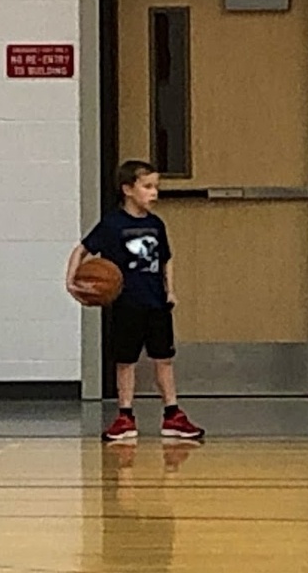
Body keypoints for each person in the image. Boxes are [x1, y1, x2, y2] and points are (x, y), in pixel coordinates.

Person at [66, 160, 204, 442]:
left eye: (156, 187)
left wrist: (170, 290)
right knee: (125, 361)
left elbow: (166, 259)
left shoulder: (156, 224)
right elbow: (81, 249)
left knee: (163, 359)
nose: (154, 193)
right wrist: (71, 281)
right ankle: (125, 416)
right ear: (128, 189)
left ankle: (172, 415)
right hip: (126, 304)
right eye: (148, 187)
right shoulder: (112, 224)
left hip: (156, 302)